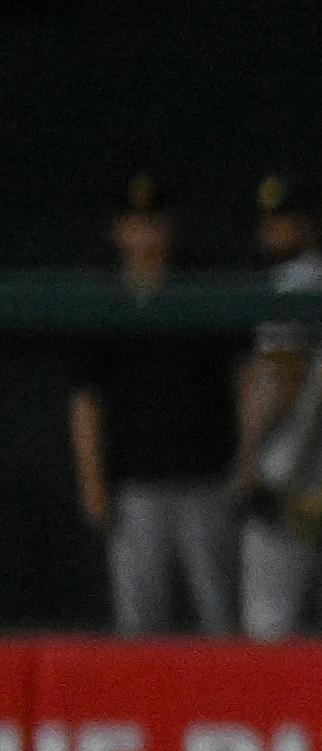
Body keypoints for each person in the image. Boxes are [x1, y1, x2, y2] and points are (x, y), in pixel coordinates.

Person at [69, 174, 237, 634]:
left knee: (220, 620)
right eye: (135, 224)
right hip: (137, 484)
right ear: (118, 232)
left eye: (154, 223)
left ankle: (227, 704)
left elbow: (241, 379)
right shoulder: (105, 300)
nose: (145, 235)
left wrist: (245, 461)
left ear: (170, 228)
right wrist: (91, 478)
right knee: (139, 625)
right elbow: (86, 399)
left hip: (205, 476)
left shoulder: (201, 291)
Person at [236, 174, 322, 640]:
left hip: (287, 473)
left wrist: (251, 463)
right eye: (271, 223)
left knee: (270, 628)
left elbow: (284, 379)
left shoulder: (293, 282)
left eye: (287, 223)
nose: (276, 233)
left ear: (309, 228)